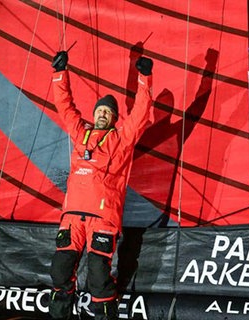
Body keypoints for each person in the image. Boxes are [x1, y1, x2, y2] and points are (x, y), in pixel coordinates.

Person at [48, 50, 154, 320]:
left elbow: (141, 113)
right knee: (60, 270)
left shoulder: (121, 138)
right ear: (94, 114)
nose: (103, 114)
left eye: (108, 111)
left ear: (115, 117)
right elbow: (65, 107)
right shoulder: (81, 132)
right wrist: (60, 74)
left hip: (103, 218)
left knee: (98, 274)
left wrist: (144, 78)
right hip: (72, 216)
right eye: (100, 110)